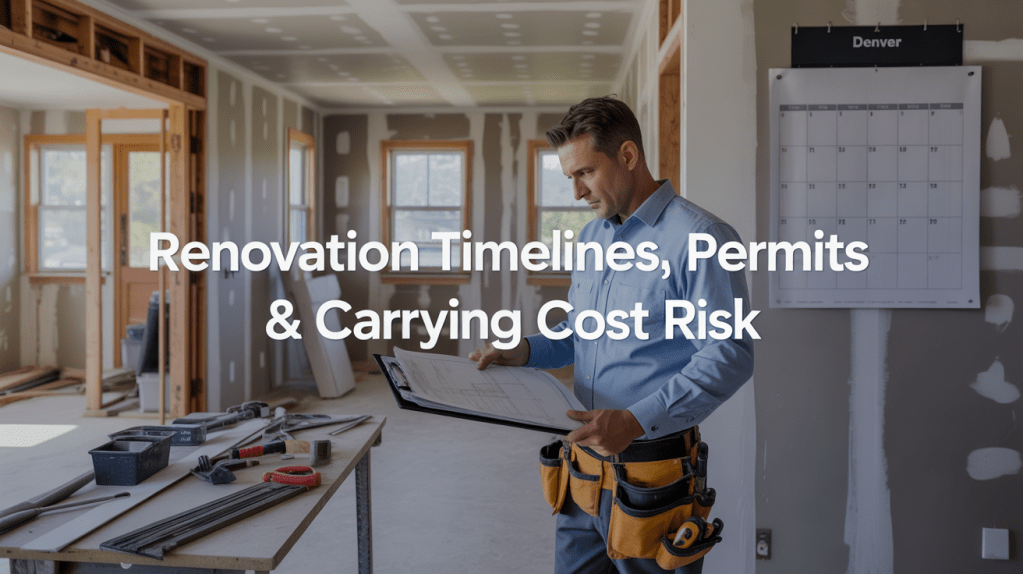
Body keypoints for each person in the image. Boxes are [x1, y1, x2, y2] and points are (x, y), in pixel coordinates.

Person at [469, 96, 754, 574]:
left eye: (585, 173)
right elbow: (582, 330)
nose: (576, 193)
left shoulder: (699, 237)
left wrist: (636, 420)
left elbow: (730, 354)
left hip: (652, 480)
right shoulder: (594, 237)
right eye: (569, 179)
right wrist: (525, 351)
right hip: (580, 467)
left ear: (627, 155)